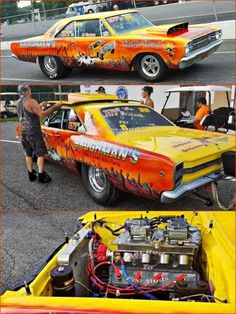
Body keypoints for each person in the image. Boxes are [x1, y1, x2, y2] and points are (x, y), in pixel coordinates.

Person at [17, 84, 62, 183]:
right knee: (40, 154)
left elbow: (28, 111)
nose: (30, 90)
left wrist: (40, 105)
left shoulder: (19, 102)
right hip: (33, 131)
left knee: (28, 154)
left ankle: (31, 174)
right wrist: (55, 107)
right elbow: (42, 114)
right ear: (25, 91)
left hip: (23, 131)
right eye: (29, 89)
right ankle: (41, 176)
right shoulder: (31, 101)